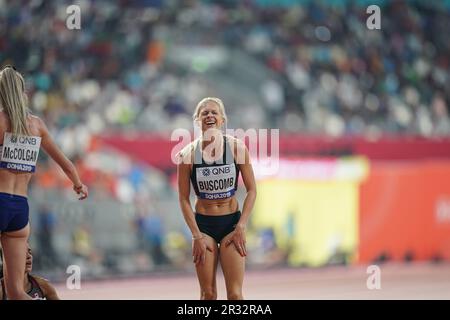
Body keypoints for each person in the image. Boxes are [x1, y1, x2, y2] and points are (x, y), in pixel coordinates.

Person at [0, 65, 88, 300]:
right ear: (22, 92)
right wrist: (78, 184)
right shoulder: (36, 125)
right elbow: (66, 163)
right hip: (20, 210)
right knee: (17, 292)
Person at [177, 97, 257, 300]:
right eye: (205, 113)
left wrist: (241, 226)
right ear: (197, 120)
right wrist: (195, 235)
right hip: (204, 227)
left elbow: (252, 190)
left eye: (214, 112)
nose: (210, 116)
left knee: (235, 295)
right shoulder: (187, 155)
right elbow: (184, 199)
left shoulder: (237, 149)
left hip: (231, 224)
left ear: (222, 119)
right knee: (208, 294)